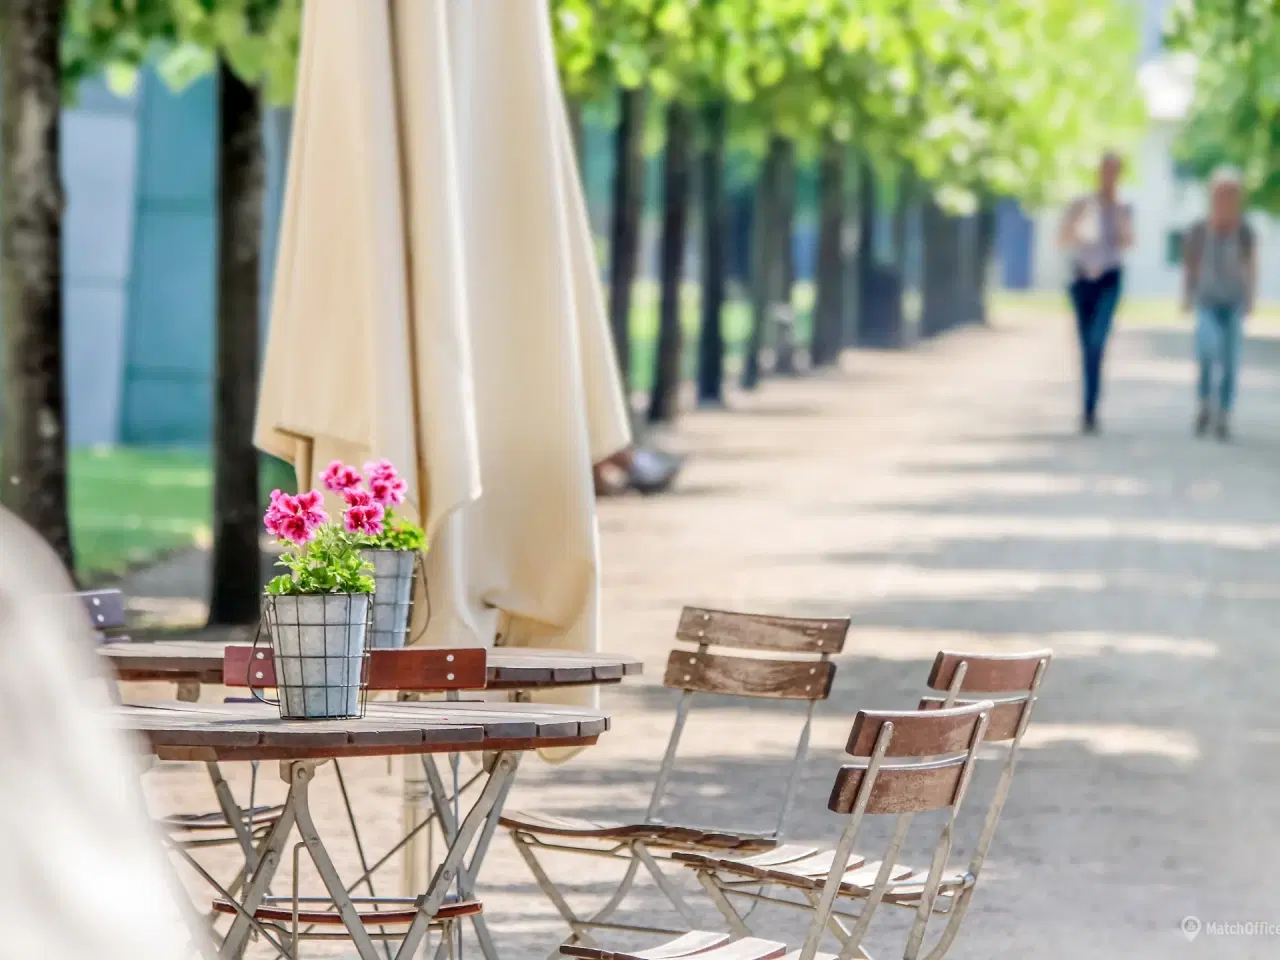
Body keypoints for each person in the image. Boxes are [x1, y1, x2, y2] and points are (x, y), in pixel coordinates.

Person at [1058, 152, 1134, 434]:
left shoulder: (1124, 207)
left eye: (1115, 172)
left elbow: (1128, 243)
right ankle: (1088, 408)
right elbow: (1063, 238)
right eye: (1105, 170)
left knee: (1097, 341)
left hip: (1108, 280)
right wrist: (1076, 223)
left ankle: (1091, 407)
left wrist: (1118, 216)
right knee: (1085, 347)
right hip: (1081, 279)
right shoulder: (1081, 204)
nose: (1109, 176)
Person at [1182, 166, 1256, 441]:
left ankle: (1224, 412)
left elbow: (1250, 265)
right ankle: (1204, 403)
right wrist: (1186, 295)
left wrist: (1250, 297)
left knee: (1230, 360)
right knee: (1206, 350)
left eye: (1231, 194)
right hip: (1207, 301)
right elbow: (1190, 264)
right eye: (1221, 193)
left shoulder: (1245, 231)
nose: (1226, 198)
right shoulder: (1199, 229)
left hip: (1233, 301)